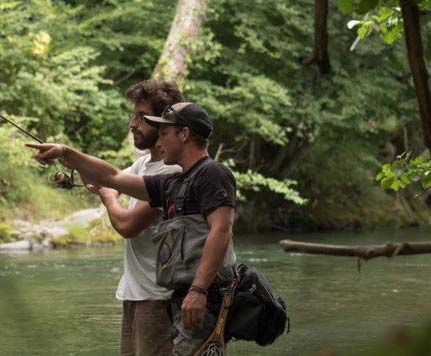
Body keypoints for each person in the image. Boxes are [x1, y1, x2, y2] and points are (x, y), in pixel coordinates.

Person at [26, 102, 237, 356]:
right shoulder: (172, 182)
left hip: (205, 300)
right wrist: (64, 152)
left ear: (184, 134)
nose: (159, 142)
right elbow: (113, 177)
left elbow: (221, 231)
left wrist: (198, 289)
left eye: (164, 134)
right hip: (183, 301)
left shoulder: (212, 173)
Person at [84, 80, 183, 356]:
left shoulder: (169, 171)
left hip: (158, 298)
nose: (132, 124)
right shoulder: (143, 164)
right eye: (133, 115)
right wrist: (66, 159)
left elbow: (127, 225)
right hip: (136, 294)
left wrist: (108, 196)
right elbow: (106, 177)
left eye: (140, 117)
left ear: (162, 122)